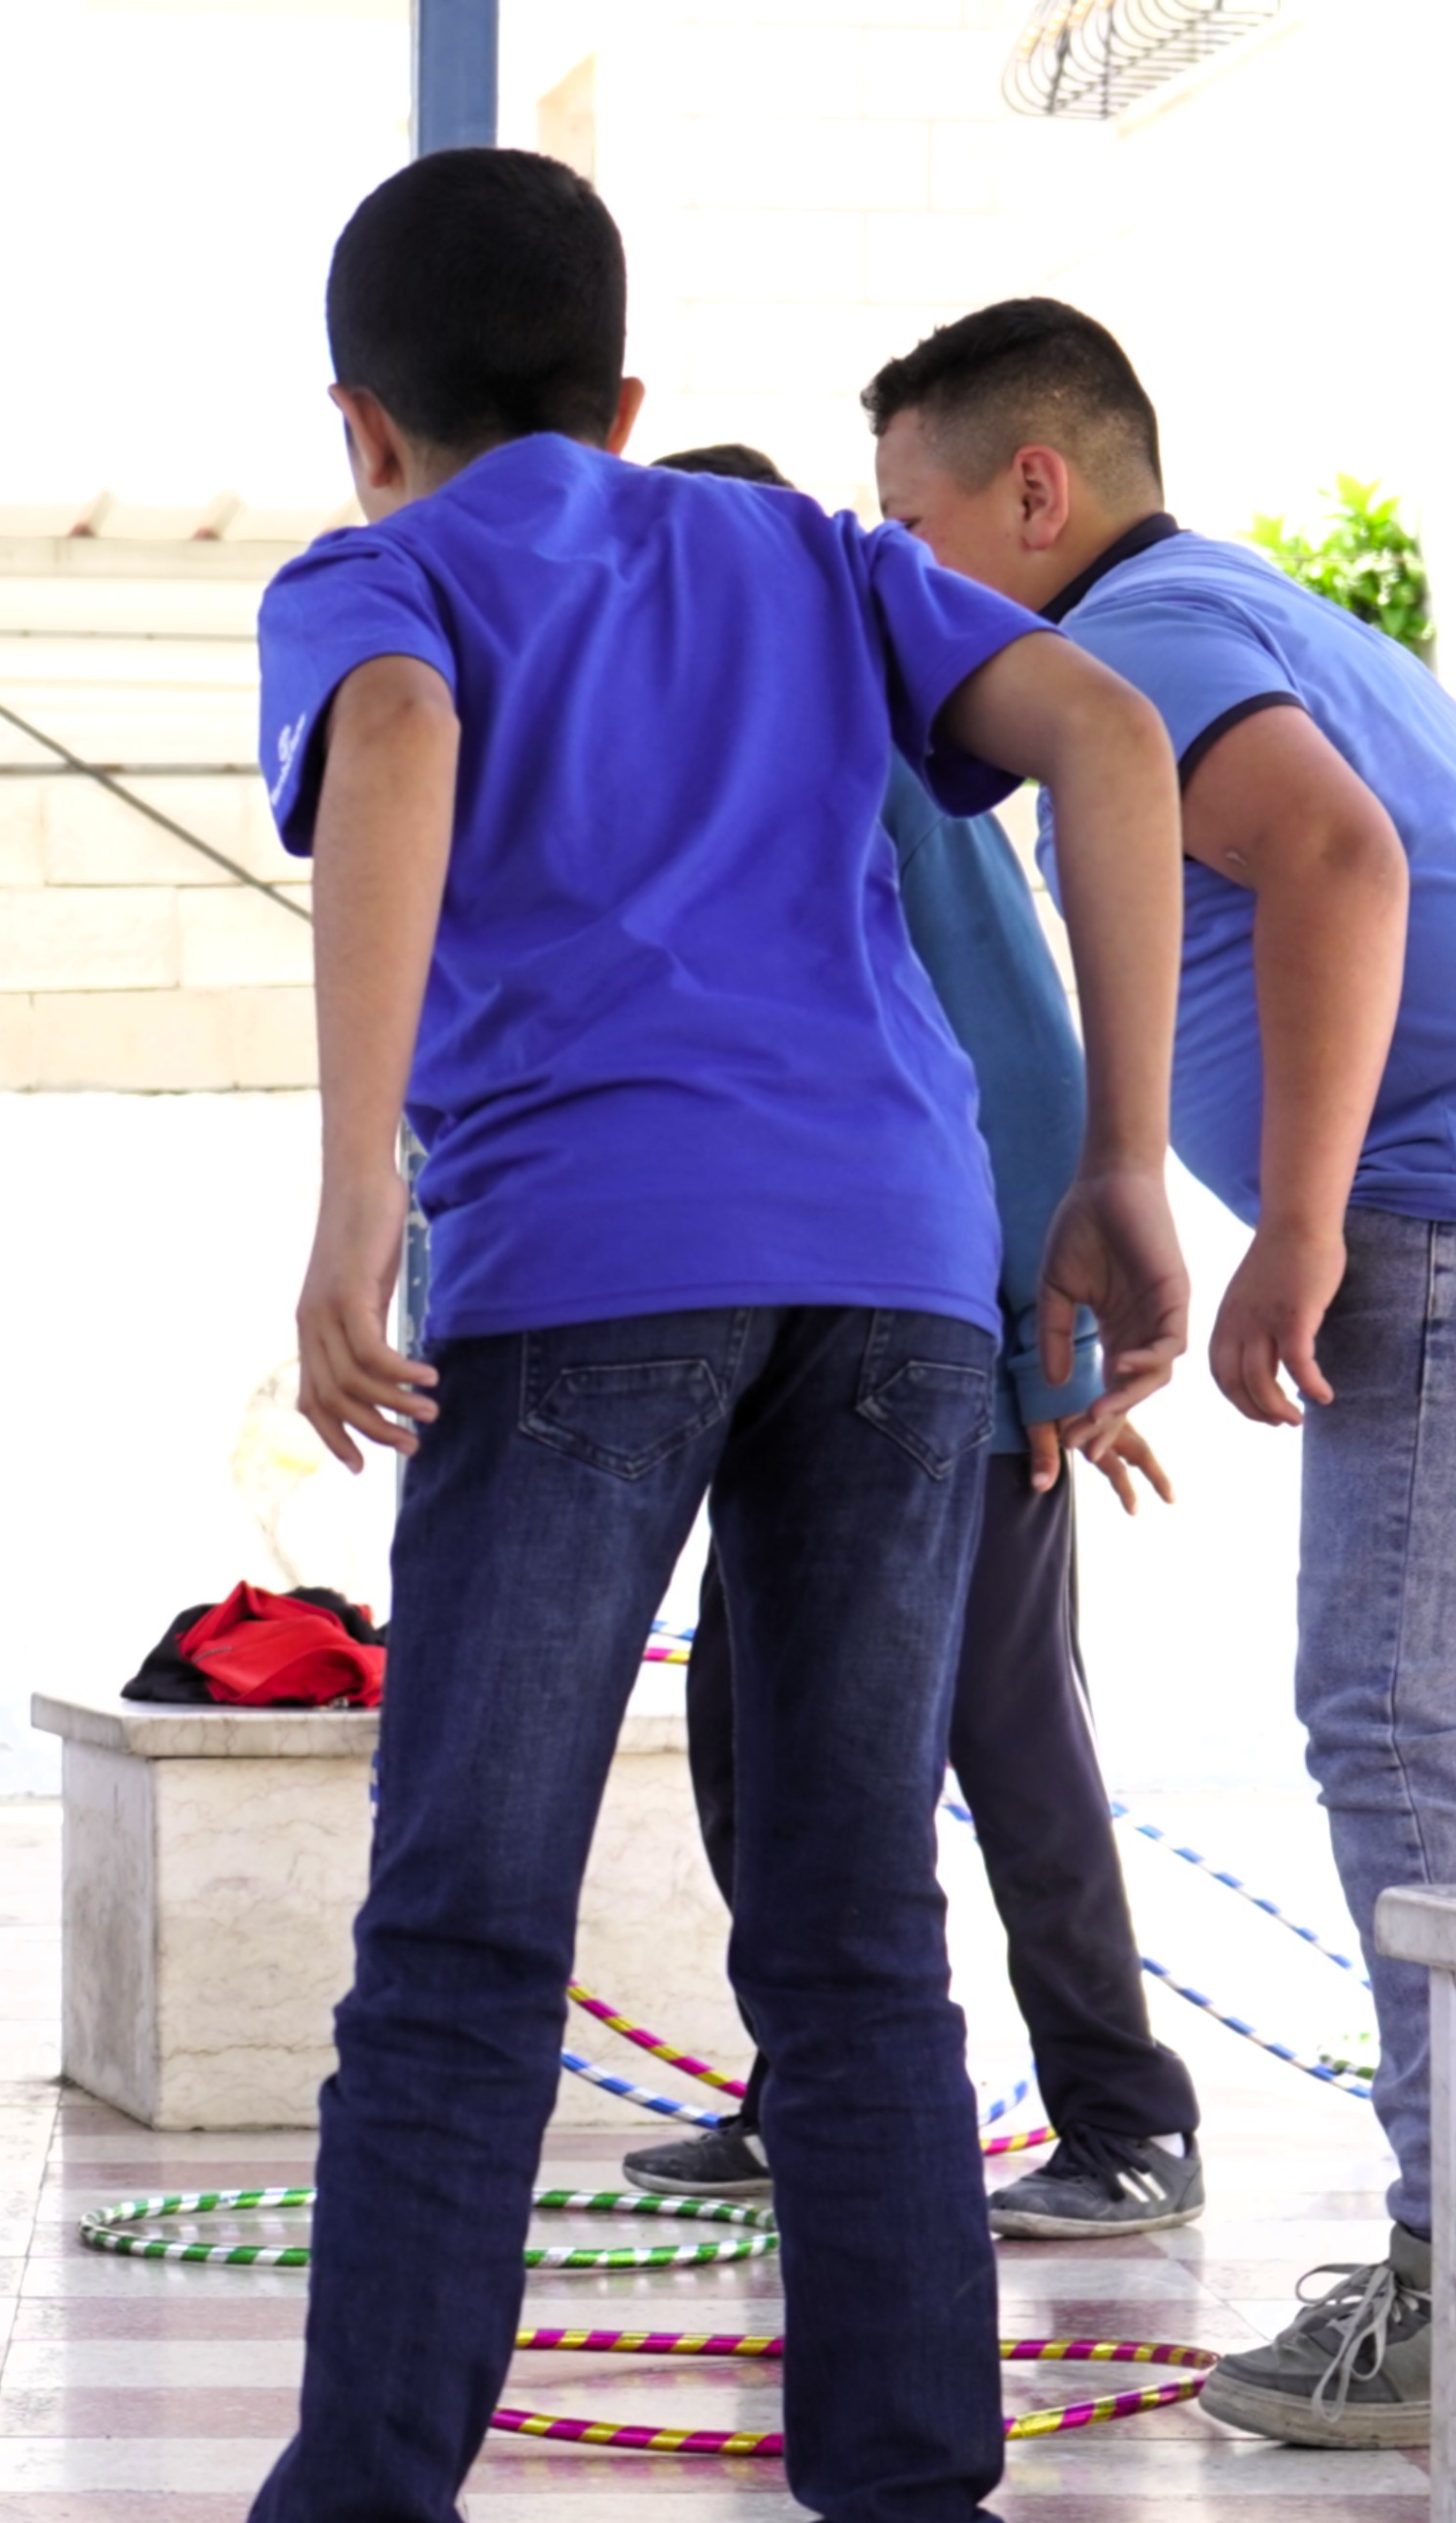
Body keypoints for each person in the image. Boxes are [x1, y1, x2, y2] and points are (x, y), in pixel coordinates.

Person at [41, 150, 1192, 2523]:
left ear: (365, 428)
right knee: (853, 1944)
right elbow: (1113, 733)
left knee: (459, 1934)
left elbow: (411, 743)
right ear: (632, 398)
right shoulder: (800, 560)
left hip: (587, 1262)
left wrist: (355, 1200)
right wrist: (1126, 1163)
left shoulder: (385, 579)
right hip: (903, 1271)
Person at [864, 300, 1456, 2449]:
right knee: (1431, 1723)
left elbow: (1348, 857)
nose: (900, 579)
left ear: (1038, 491)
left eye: (917, 524)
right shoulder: (1236, 600)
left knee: (1410, 1726)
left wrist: (1311, 1211)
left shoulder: (1139, 650)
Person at [623, 438, 1206, 2246]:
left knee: (1000, 1723)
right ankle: (817, 2087)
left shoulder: (893, 752)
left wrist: (1053, 1336)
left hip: (962, 1332)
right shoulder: (729, 761)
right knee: (749, 1725)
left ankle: (1125, 2115)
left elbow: (1013, 1030)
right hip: (822, 1342)